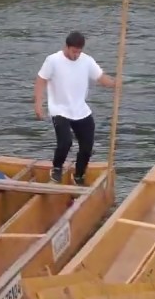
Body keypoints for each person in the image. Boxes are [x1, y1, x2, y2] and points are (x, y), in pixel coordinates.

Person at [33, 31, 116, 185]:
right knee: (65, 142)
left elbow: (100, 78)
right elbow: (41, 80)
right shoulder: (53, 60)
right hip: (60, 109)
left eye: (79, 52)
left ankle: (78, 175)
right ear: (67, 47)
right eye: (73, 51)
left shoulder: (87, 61)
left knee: (87, 147)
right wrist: (38, 104)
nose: (76, 55)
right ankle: (57, 168)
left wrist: (114, 84)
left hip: (80, 109)